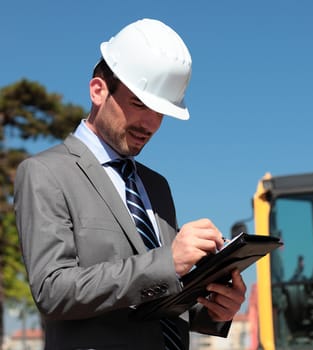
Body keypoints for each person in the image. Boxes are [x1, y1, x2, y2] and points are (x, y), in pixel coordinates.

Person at [14, 18, 246, 350]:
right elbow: (53, 291)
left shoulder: (157, 186)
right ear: (98, 91)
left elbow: (157, 299)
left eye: (161, 112)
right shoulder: (45, 173)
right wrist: (168, 262)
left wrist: (213, 306)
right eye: (139, 104)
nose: (150, 124)